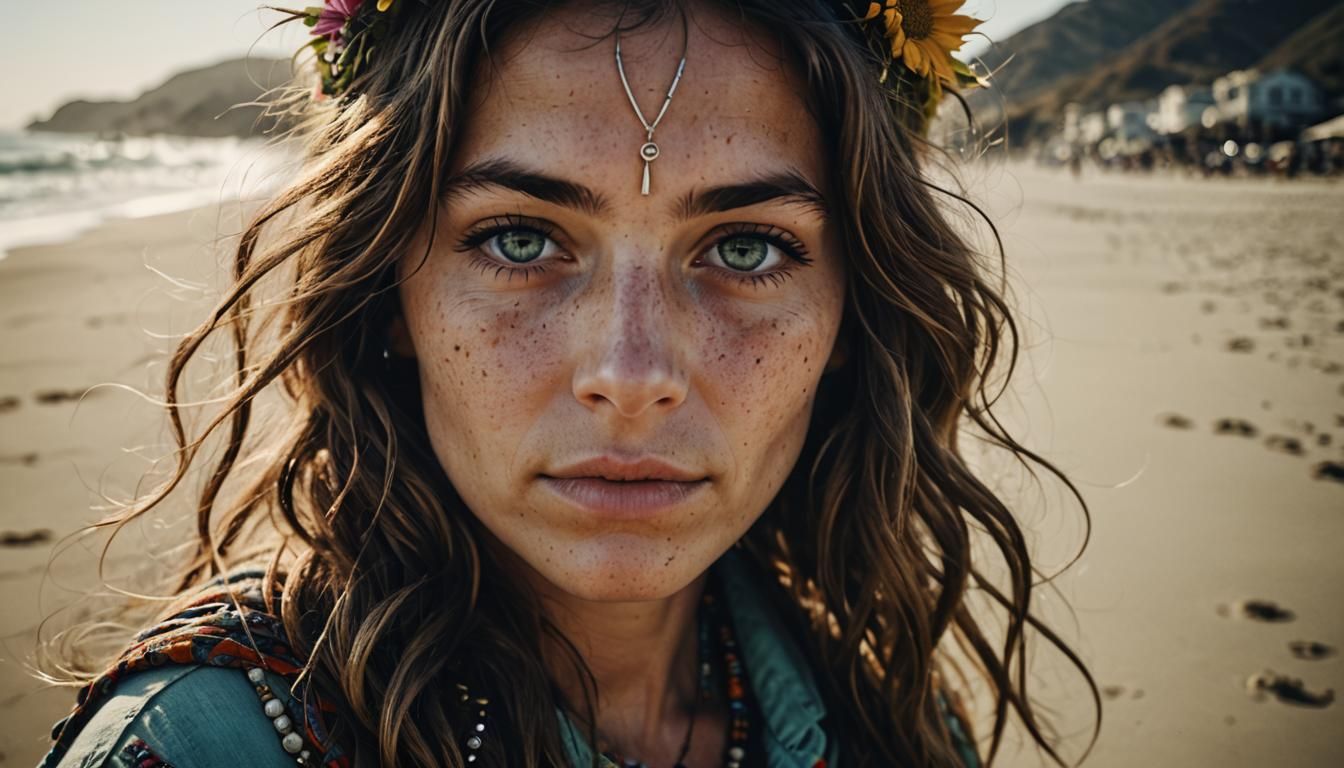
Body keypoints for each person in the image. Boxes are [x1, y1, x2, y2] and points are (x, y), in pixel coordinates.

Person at [34, 1, 1097, 766]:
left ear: (853, 320)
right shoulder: (203, 748)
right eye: (519, 236)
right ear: (387, 293)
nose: (631, 379)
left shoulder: (890, 717)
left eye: (744, 250)